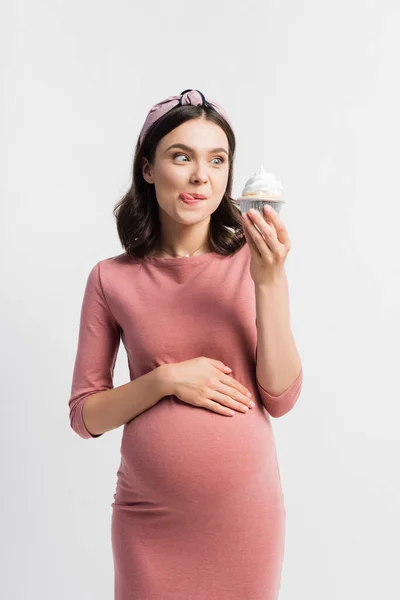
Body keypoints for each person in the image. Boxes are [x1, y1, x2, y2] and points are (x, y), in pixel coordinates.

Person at [68, 88, 303, 600]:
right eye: (182, 156)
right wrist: (166, 380)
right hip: (147, 522)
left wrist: (268, 282)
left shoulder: (255, 262)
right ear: (148, 169)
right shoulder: (111, 279)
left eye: (217, 160)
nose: (202, 175)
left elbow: (281, 398)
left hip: (246, 518)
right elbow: (86, 416)